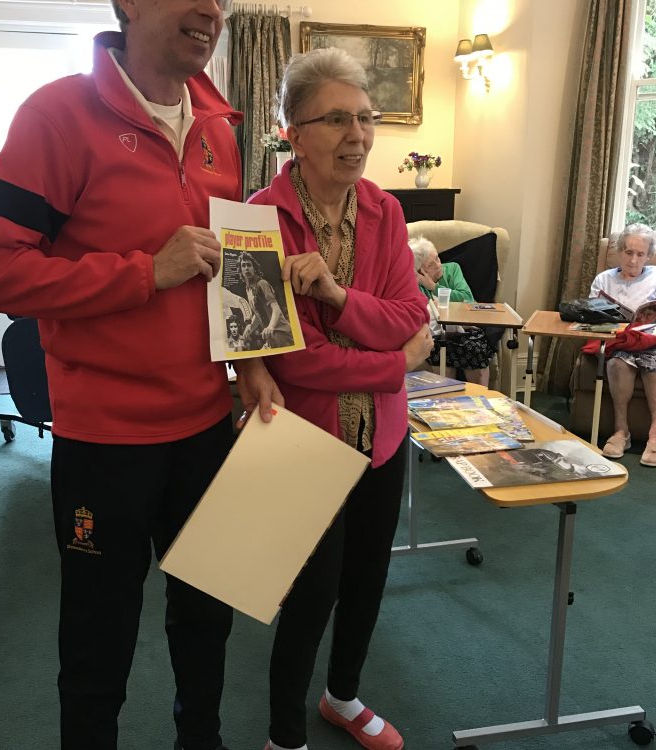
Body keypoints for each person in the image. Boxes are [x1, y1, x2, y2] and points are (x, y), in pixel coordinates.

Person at [0, 1, 282, 749]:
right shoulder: (58, 115)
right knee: (99, 635)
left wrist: (253, 362)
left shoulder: (218, 126)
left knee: (208, 615)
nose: (213, 9)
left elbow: (230, 263)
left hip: (207, 426)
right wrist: (143, 273)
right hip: (106, 443)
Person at [248, 48, 433, 750]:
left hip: (379, 438)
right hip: (300, 438)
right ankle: (282, 735)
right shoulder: (256, 220)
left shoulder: (386, 212)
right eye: (335, 119)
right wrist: (392, 368)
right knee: (309, 594)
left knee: (366, 578)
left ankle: (343, 697)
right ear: (292, 131)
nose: (357, 135)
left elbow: (407, 317)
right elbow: (288, 357)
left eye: (365, 118)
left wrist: (331, 293)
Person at [588, 223, 656, 466]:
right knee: (617, 364)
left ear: (649, 255)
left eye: (640, 254)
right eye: (628, 252)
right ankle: (621, 432)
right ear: (619, 252)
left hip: (653, 340)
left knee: (655, 364)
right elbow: (591, 317)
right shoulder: (603, 280)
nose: (633, 260)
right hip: (620, 342)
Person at [409, 235, 496, 386]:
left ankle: (480, 400)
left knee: (475, 351)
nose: (439, 264)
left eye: (437, 257)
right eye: (432, 263)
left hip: (465, 331)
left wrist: (433, 287)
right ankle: (447, 403)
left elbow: (468, 299)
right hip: (437, 335)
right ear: (420, 270)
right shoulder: (413, 282)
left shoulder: (453, 269)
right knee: (440, 351)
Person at [238, 251, 294, 349]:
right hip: (269, 336)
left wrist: (271, 327)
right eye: (243, 265)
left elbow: (276, 309)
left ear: (254, 268)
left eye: (249, 265)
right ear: (240, 270)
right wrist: (250, 327)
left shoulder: (262, 284)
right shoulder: (248, 289)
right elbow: (257, 313)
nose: (246, 268)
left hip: (281, 333)